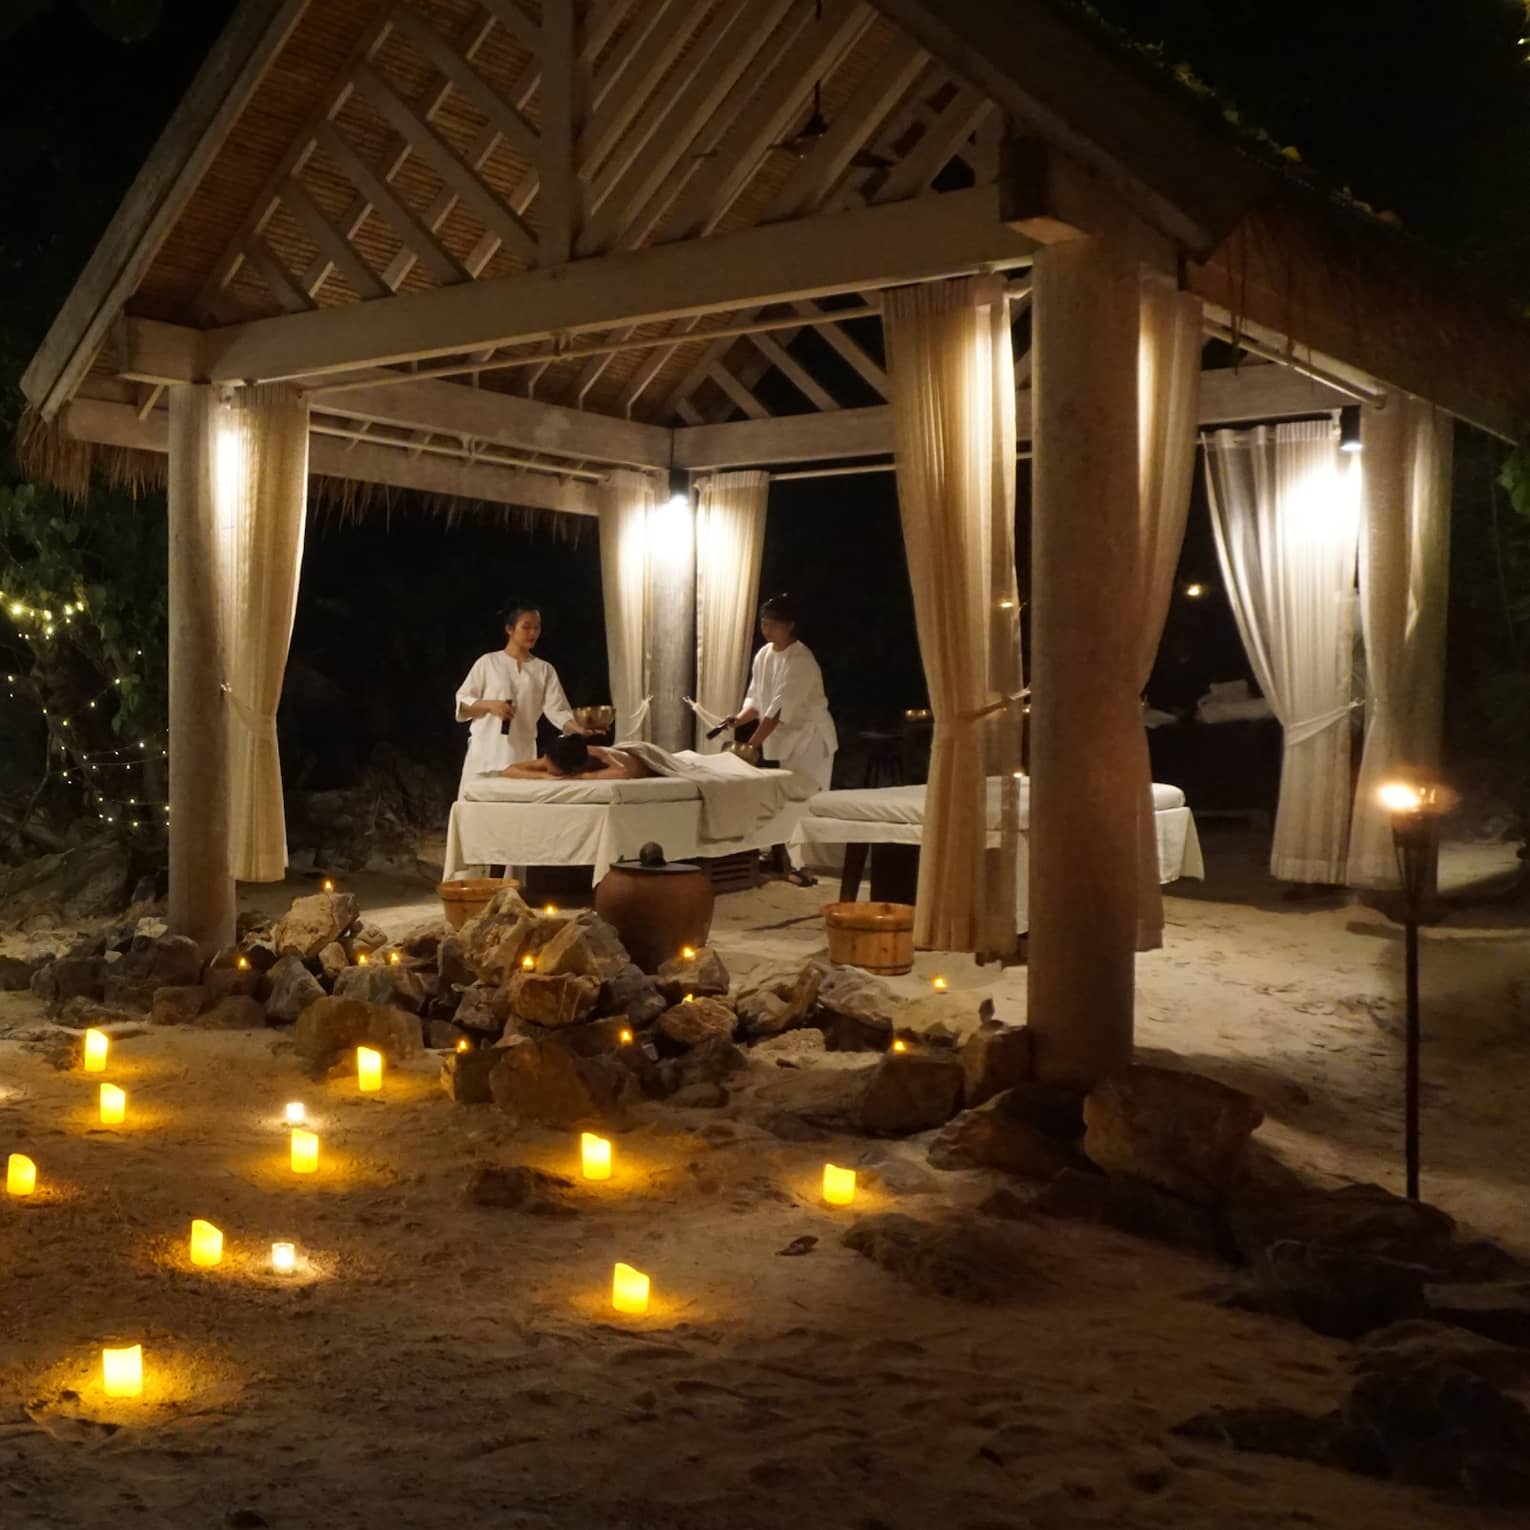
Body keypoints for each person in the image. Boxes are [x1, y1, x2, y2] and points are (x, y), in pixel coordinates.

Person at [722, 594, 837, 886]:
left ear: (790, 626)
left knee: (804, 799)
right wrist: (738, 719)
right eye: (764, 623)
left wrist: (751, 745)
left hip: (810, 738)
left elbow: (777, 711)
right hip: (784, 739)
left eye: (772, 624)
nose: (767, 629)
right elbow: (758, 700)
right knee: (785, 798)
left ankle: (801, 865)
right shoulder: (763, 655)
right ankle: (786, 862)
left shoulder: (801, 660)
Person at [454, 602, 581, 797]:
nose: (533, 633)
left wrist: (579, 729)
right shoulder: (488, 662)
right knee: (476, 813)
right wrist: (490, 705)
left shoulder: (544, 670)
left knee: (514, 815)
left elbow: (558, 710)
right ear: (509, 629)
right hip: (486, 752)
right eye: (526, 627)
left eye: (536, 627)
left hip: (520, 755)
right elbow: (463, 701)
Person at [501, 733, 654, 781]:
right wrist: (542, 775)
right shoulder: (554, 757)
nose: (547, 767)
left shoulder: (596, 755)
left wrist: (584, 776)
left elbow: (623, 773)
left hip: (641, 757)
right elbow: (509, 770)